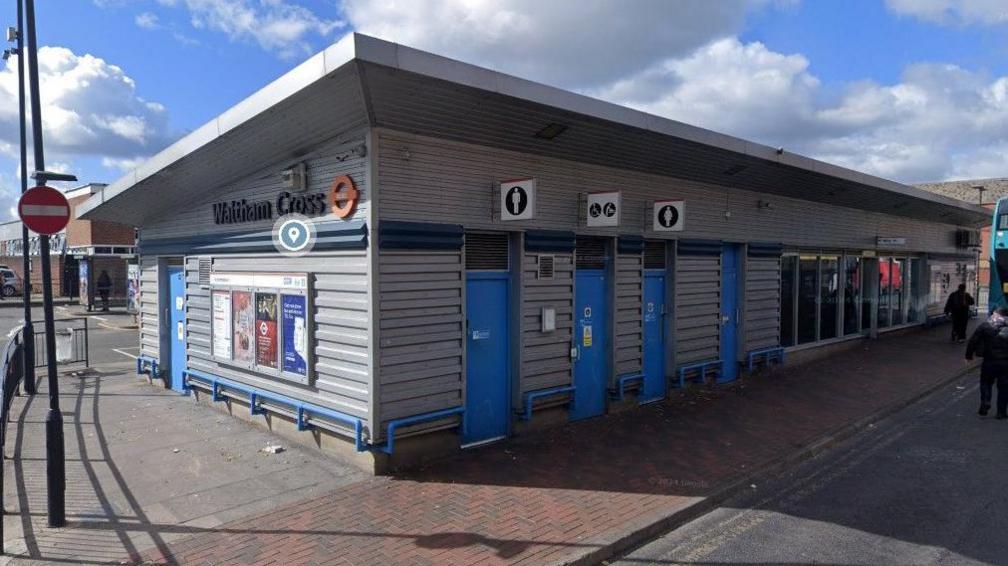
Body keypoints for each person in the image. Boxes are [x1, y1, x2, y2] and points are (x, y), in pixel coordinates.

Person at [965, 307, 1008, 419]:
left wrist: (968, 356)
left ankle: (986, 401)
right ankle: (1001, 412)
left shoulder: (985, 326)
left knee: (986, 383)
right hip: (1005, 362)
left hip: (989, 360)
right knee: (1004, 387)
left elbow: (973, 341)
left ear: (996, 314)